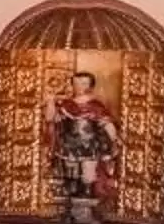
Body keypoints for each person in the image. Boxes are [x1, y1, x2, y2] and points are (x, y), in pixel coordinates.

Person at [48, 70, 120, 213]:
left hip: (90, 145)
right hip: (69, 144)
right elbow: (51, 119)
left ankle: (86, 202)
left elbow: (106, 124)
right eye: (76, 83)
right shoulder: (66, 105)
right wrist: (50, 102)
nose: (80, 87)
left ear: (91, 86)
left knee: (88, 173)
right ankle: (69, 202)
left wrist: (114, 139)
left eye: (84, 83)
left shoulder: (96, 106)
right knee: (71, 172)